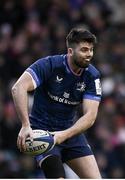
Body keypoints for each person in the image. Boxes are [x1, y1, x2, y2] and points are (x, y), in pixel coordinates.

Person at [12, 27, 102, 179]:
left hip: (70, 133)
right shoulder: (49, 65)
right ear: (70, 51)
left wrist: (62, 135)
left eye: (91, 50)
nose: (89, 55)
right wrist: (25, 125)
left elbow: (90, 116)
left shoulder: (92, 76)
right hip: (43, 134)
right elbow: (18, 88)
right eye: (84, 50)